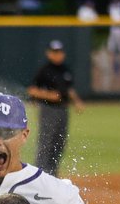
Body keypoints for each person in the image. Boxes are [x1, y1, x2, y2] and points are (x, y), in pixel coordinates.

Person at [27, 41, 85, 177]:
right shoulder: (45, 70)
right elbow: (32, 90)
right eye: (54, 52)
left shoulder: (65, 69)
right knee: (46, 141)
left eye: (59, 52)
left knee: (60, 142)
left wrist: (76, 101)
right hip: (48, 109)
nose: (58, 55)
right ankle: (40, 173)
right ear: (49, 53)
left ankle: (53, 172)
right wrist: (48, 95)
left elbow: (68, 89)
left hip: (63, 109)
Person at [106, 0, 120, 75]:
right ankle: (112, 63)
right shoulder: (111, 7)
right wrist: (115, 3)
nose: (116, 2)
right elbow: (110, 9)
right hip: (113, 29)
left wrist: (119, 3)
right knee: (111, 47)